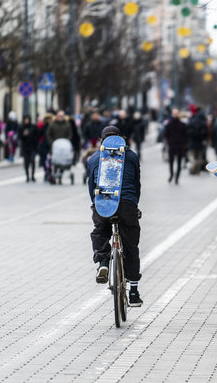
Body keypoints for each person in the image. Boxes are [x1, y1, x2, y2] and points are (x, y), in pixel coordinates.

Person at [87, 126, 143, 307]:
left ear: (102, 141)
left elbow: (91, 188)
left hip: (103, 205)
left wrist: (95, 206)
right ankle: (133, 291)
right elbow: (136, 185)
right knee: (130, 245)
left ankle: (103, 262)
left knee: (100, 232)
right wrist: (135, 205)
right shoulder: (132, 156)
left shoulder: (94, 159)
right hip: (127, 204)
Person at [163, 108, 187, 184]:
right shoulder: (169, 125)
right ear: (172, 114)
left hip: (180, 146)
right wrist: (169, 142)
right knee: (171, 162)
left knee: (179, 163)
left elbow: (186, 136)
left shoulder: (182, 125)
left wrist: (183, 143)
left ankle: (176, 178)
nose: (175, 115)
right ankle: (171, 175)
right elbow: (166, 135)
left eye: (176, 113)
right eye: (174, 113)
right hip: (172, 146)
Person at [187, 107, 208, 175]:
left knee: (191, 155)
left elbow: (187, 131)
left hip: (192, 142)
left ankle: (193, 165)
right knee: (199, 156)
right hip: (200, 142)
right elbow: (205, 132)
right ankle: (197, 170)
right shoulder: (203, 121)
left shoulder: (191, 120)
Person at [19, 115, 38, 182]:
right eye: (25, 119)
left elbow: (37, 135)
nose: (26, 121)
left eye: (27, 119)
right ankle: (27, 176)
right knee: (26, 162)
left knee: (32, 161)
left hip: (32, 147)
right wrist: (23, 135)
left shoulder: (33, 127)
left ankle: (32, 176)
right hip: (25, 147)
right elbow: (19, 137)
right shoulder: (21, 127)